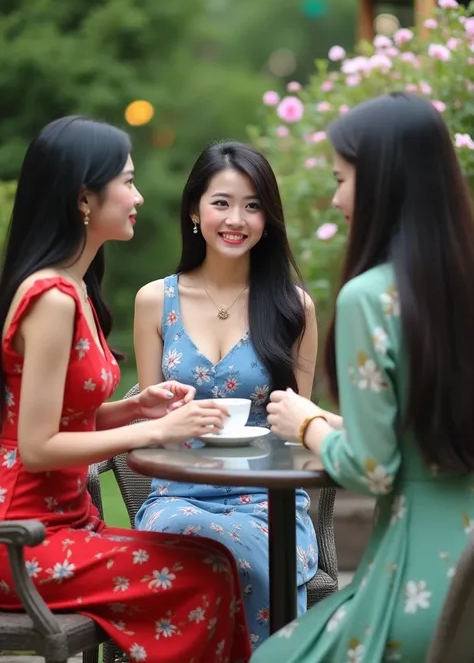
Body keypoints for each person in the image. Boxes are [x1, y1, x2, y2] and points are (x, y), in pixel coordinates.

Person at [0, 116, 252, 663]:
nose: (138, 196)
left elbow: (61, 417)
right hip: (20, 538)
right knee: (205, 575)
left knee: (217, 563)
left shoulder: (76, 289)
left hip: (64, 523)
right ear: (84, 197)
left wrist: (131, 408)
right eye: (128, 181)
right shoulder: (51, 299)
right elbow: (38, 446)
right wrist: (155, 429)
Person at [250, 91, 474, 663]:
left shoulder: (371, 298)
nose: (335, 197)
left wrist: (306, 425)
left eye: (342, 177)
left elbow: (374, 470)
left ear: (382, 183)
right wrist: (334, 421)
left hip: (417, 582)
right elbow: (428, 433)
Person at [133, 141, 319, 648]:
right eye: (222, 203)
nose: (236, 219)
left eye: (253, 205)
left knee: (245, 559)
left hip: (267, 502)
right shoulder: (155, 300)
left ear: (267, 218)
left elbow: (300, 432)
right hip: (178, 493)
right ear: (195, 210)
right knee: (196, 547)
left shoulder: (293, 307)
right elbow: (152, 424)